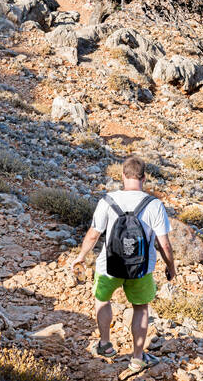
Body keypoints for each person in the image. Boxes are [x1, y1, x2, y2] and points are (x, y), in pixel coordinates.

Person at [70, 155, 176, 369]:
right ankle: (137, 357)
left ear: (122, 176)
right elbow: (163, 244)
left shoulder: (107, 200)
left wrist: (81, 257)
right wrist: (170, 267)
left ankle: (105, 345)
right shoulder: (154, 204)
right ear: (144, 178)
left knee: (102, 300)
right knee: (140, 308)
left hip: (109, 265)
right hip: (142, 268)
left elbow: (93, 235)